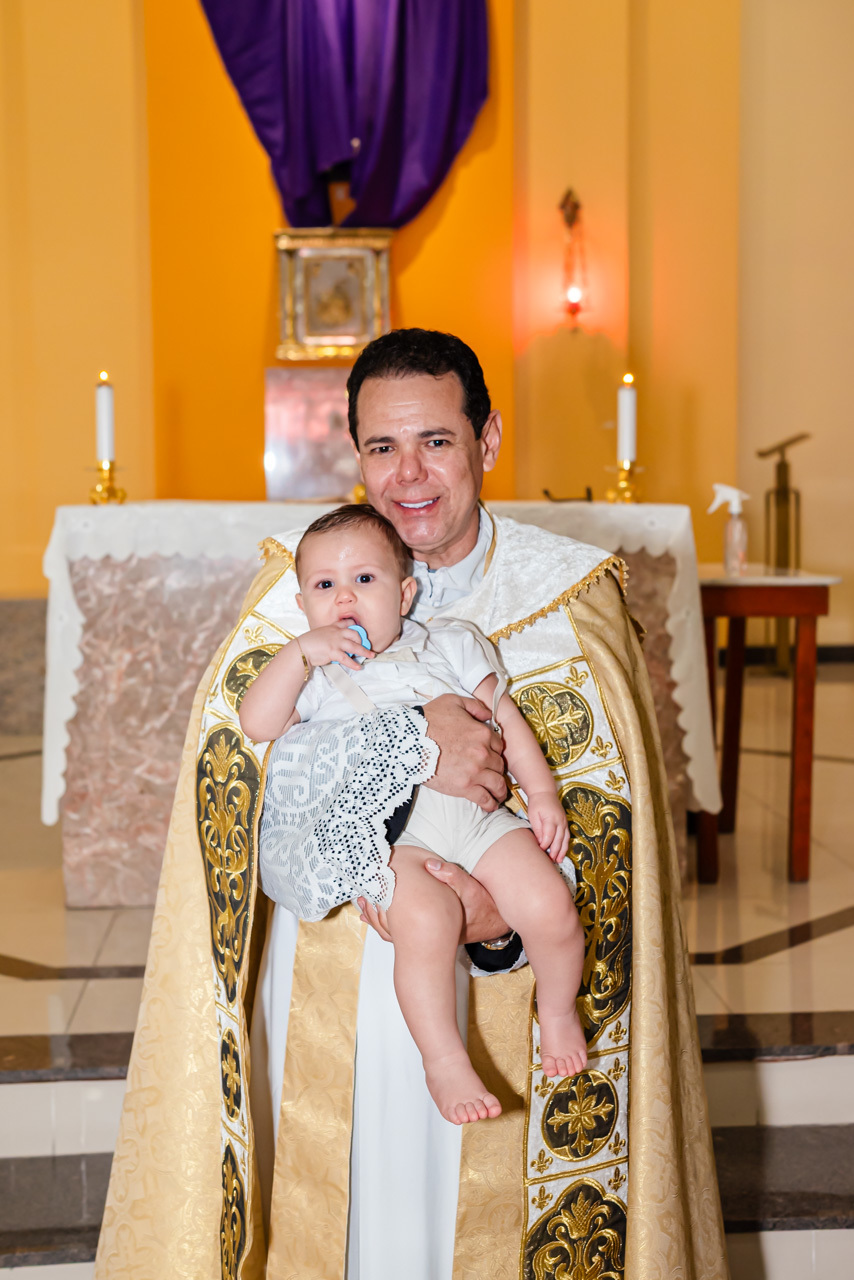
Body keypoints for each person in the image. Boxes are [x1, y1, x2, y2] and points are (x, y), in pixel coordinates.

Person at [95, 329, 728, 1280]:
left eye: (436, 439)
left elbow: (613, 814)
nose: (409, 474)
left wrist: (492, 909)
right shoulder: (295, 595)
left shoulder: (569, 598)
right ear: (354, 455)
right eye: (382, 447)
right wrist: (417, 749)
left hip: (516, 981)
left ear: (488, 440)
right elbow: (231, 788)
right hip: (340, 968)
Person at [239, 504, 588, 1123]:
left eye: (365, 580)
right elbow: (257, 725)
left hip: (480, 816)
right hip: (402, 836)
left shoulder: (449, 644)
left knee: (549, 905)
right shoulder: (315, 676)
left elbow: (506, 722)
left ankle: (558, 1013)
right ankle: (444, 1058)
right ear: (304, 604)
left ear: (405, 593)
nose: (345, 596)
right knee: (424, 925)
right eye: (325, 586)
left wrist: (541, 795)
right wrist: (299, 654)